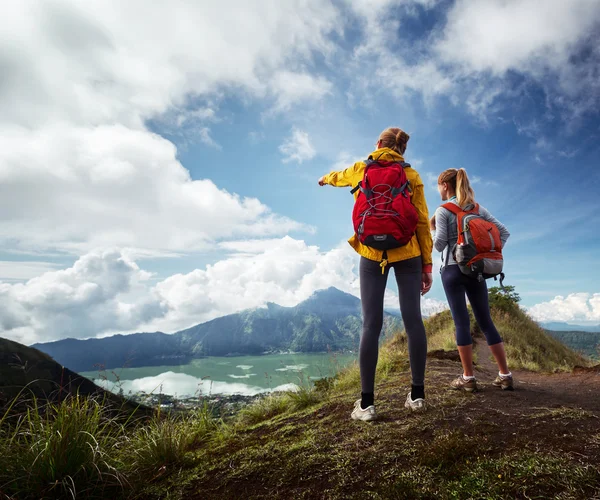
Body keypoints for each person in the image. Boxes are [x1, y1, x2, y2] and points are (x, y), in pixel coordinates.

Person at [318, 127, 433, 421]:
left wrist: (326, 179)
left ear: (379, 144)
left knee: (371, 325)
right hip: (408, 253)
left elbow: (339, 176)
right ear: (401, 150)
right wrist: (427, 265)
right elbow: (421, 221)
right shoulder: (412, 176)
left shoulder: (361, 169)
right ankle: (417, 397)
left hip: (370, 253)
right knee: (413, 322)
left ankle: (367, 404)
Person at [430, 168, 513, 392]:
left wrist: (431, 232)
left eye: (438, 186)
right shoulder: (478, 209)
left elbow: (438, 245)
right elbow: (503, 232)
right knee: (485, 321)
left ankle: (468, 378)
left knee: (461, 323)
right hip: (476, 269)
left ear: (445, 186)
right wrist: (483, 252)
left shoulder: (443, 210)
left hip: (452, 270)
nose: (438, 190)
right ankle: (505, 375)